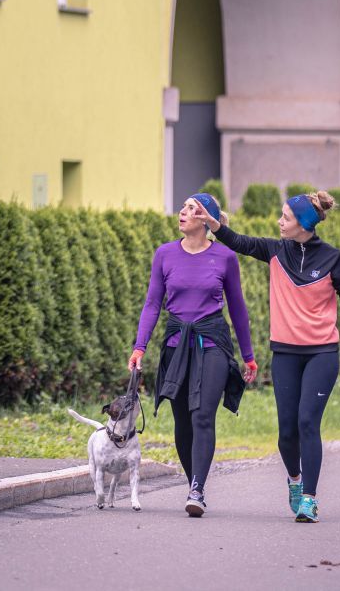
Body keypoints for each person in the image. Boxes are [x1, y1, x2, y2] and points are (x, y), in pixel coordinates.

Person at [193, 190, 340, 524]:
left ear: (303, 225)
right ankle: (295, 480)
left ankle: (310, 499)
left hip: (322, 353)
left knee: (308, 421)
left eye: (286, 218)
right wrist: (214, 225)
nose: (279, 222)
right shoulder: (275, 251)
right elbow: (240, 241)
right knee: (286, 434)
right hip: (285, 354)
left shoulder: (333, 259)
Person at [130, 192, 256, 518]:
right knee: (183, 420)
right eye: (183, 207)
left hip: (212, 341)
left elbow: (238, 309)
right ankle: (193, 484)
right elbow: (152, 304)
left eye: (191, 209)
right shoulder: (165, 254)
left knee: (202, 415)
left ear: (205, 220)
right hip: (176, 343)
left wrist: (248, 355)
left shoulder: (225, 257)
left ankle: (197, 489)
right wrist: (139, 346)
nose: (182, 212)